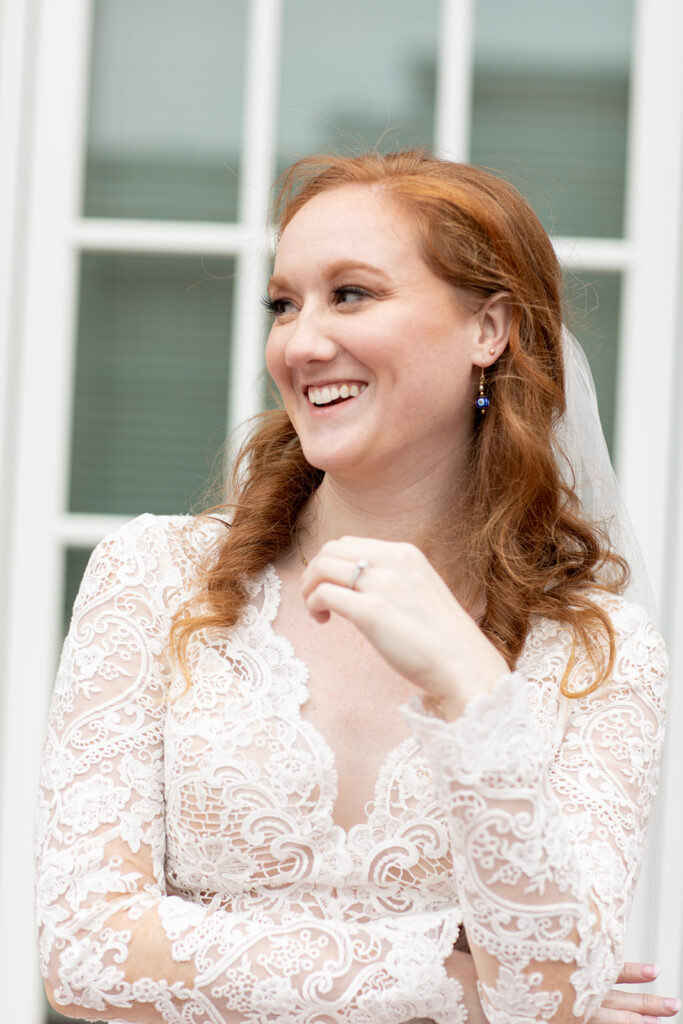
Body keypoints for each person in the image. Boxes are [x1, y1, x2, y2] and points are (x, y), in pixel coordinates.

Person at [35, 150, 674, 1024]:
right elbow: (87, 953)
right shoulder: (151, 578)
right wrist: (453, 983)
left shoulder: (600, 649)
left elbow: (551, 992)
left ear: (488, 329)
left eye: (352, 294)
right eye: (284, 303)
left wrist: (471, 686)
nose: (300, 343)